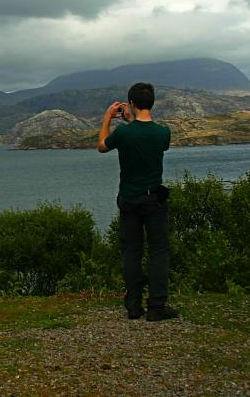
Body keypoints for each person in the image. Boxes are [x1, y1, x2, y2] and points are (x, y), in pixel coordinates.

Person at [97, 82, 178, 321]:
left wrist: (107, 119)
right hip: (154, 200)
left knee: (131, 252)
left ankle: (133, 307)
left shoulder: (123, 133)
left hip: (129, 200)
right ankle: (156, 307)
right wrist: (132, 121)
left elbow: (102, 146)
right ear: (152, 102)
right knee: (158, 252)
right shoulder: (163, 133)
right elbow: (148, 138)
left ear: (131, 103)